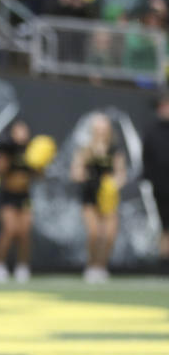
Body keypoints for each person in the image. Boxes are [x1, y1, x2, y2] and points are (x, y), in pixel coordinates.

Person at [71, 112, 126, 283]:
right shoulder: (85, 148)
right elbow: (76, 172)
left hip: (108, 198)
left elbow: (121, 173)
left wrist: (112, 185)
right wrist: (82, 174)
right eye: (98, 128)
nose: (101, 132)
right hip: (90, 195)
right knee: (94, 233)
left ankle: (102, 266)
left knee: (109, 235)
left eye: (104, 128)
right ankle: (91, 265)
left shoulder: (115, 150)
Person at [0, 120, 35, 283]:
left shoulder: (31, 151)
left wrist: (38, 163)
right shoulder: (7, 149)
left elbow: (38, 174)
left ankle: (22, 266)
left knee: (24, 233)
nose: (21, 134)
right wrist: (7, 156)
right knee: (9, 230)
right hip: (8, 195)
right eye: (18, 131)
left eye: (24, 131)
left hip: (25, 196)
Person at [142, 91, 169, 273]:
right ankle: (164, 263)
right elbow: (148, 161)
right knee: (165, 225)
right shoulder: (152, 132)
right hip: (162, 188)